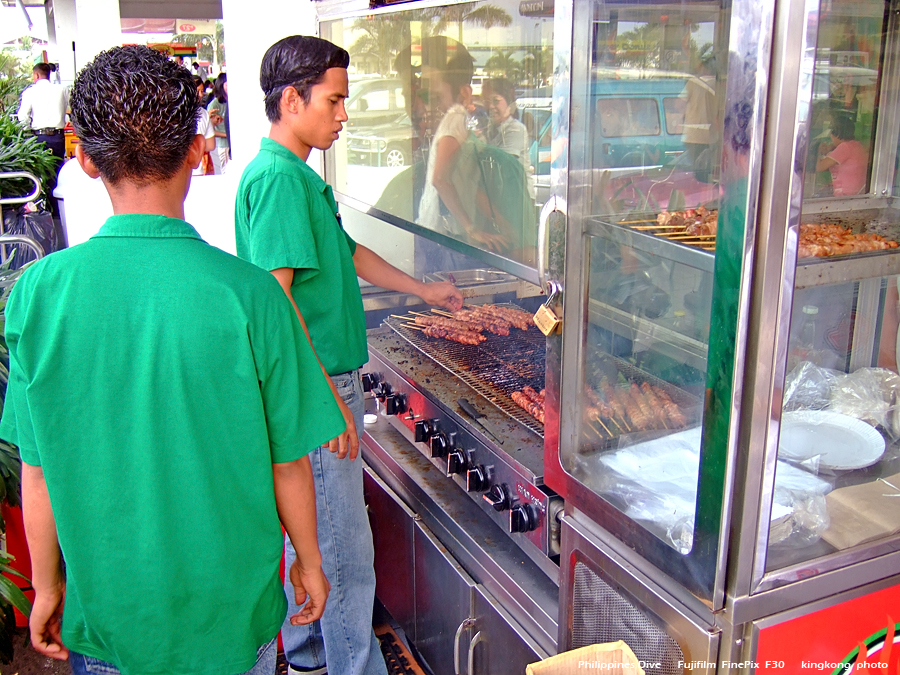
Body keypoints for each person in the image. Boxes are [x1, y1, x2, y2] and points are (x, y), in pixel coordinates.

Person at [1, 44, 345, 675]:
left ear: (81, 159)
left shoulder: (38, 294)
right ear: (197, 149)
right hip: (234, 622)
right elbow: (288, 461)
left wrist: (46, 585)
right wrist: (310, 561)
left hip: (109, 624)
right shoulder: (251, 295)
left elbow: (39, 471)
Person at [235, 35, 463, 675]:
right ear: (291, 98)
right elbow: (278, 301)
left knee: (315, 539)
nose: (343, 115)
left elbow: (347, 253)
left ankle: (308, 658)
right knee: (340, 549)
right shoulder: (280, 180)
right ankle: (353, 667)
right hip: (317, 383)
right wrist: (324, 396)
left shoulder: (295, 178)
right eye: (334, 101)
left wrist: (423, 288)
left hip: (314, 382)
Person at [17, 62, 69, 162]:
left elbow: (23, 116)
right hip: (58, 137)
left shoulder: (29, 92)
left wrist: (28, 130)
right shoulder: (62, 90)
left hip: (39, 137)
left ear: (36, 75)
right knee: (58, 167)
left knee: (43, 170)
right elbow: (73, 107)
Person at [816, 113, 869, 196]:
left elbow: (819, 167)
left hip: (845, 196)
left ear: (835, 134)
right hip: (855, 194)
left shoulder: (844, 147)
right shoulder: (856, 145)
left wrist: (817, 151)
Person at [193, 75, 216, 175]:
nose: (200, 95)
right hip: (200, 167)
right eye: (197, 91)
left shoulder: (175, 113)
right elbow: (210, 145)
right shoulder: (203, 114)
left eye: (202, 91)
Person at [207, 72, 229, 173]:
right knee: (226, 171)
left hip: (233, 143)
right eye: (227, 84)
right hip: (224, 145)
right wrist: (227, 135)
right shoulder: (214, 104)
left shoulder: (231, 101)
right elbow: (210, 130)